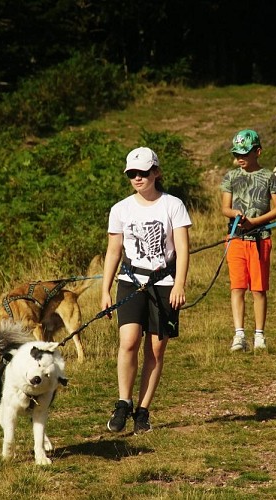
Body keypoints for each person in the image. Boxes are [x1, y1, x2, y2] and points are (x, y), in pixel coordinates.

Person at [101, 146, 191, 434]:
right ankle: (123, 403)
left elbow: (183, 248)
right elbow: (113, 251)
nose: (137, 178)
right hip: (130, 281)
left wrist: (179, 283)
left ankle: (142, 411)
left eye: (143, 172)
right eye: (132, 174)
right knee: (128, 341)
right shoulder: (120, 209)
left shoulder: (173, 205)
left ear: (156, 172)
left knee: (155, 348)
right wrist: (105, 290)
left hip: (164, 283)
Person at [221, 129, 276, 352]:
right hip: (236, 238)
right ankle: (239, 334)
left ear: (257, 152)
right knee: (237, 286)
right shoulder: (231, 177)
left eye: (245, 153)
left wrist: (256, 221)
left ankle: (259, 335)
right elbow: (225, 207)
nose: (240, 158)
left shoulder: (269, 177)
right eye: (237, 153)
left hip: (260, 239)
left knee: (258, 289)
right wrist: (236, 215)